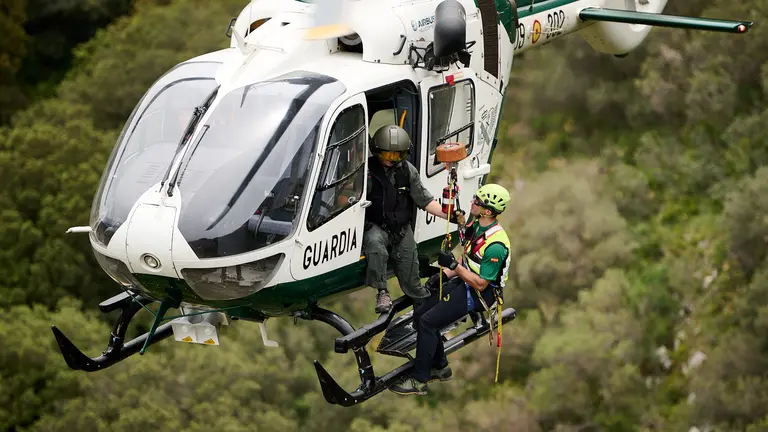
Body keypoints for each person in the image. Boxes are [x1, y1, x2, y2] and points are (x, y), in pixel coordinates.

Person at [389, 183, 512, 396]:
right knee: (420, 314)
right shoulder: (477, 227)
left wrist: (453, 266)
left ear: (487, 211)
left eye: (477, 201)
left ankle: (420, 379)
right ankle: (441, 366)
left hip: (481, 294)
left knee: (428, 322)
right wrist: (445, 274)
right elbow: (468, 259)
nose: (472, 202)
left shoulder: (496, 246)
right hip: (465, 282)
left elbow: (481, 283)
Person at [364, 124, 461, 314]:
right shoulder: (366, 172)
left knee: (411, 272)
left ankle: (424, 308)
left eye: (397, 155)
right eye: (387, 155)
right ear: (376, 151)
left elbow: (425, 200)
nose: (391, 160)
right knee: (375, 245)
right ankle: (382, 291)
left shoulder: (408, 171)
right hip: (376, 225)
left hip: (401, 228)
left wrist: (449, 215)